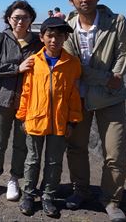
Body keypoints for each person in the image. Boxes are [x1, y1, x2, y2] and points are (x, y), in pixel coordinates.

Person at [63, 0, 126, 222]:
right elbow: (73, 66)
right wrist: (106, 77)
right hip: (79, 98)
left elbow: (124, 56)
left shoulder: (116, 21)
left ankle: (112, 201)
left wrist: (114, 76)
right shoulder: (67, 28)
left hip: (110, 98)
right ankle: (80, 190)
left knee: (115, 153)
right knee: (76, 148)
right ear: (71, 0)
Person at [16, 17, 82, 217]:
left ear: (65, 38)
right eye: (50, 35)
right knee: (33, 160)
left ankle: (48, 196)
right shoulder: (34, 62)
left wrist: (72, 120)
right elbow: (26, 91)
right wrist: (23, 117)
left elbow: (74, 94)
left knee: (54, 162)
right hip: (35, 119)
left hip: (60, 122)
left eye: (59, 36)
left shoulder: (72, 63)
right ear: (42, 37)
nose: (54, 40)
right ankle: (28, 194)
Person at [0, 0, 43, 201]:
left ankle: (14, 179)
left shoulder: (38, 43)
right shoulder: (0, 40)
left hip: (28, 100)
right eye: (16, 17)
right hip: (1, 98)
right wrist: (16, 68)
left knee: (21, 142)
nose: (20, 21)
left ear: (31, 19)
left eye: (25, 17)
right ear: (9, 19)